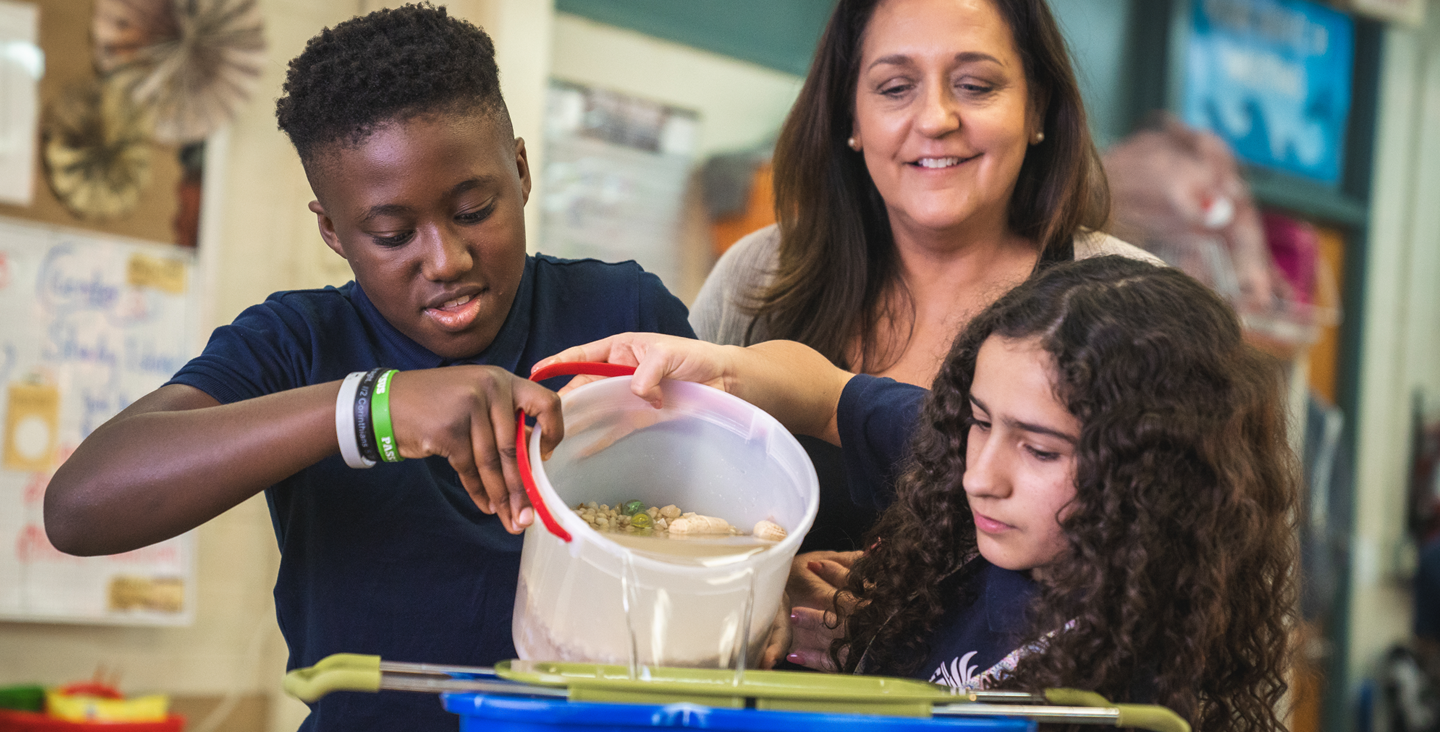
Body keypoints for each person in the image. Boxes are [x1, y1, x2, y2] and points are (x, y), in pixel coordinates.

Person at [42, 5, 694, 731]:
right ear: (332, 230)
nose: (446, 260)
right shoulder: (298, 343)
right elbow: (79, 506)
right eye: (392, 234)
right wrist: (369, 408)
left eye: (475, 208)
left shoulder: (623, 312)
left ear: (519, 169)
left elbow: (718, 519)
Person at [539, 255, 1298, 732]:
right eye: (975, 421)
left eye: (1039, 449)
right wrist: (718, 369)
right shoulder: (967, 466)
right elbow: (825, 391)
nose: (980, 475)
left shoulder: (1137, 683)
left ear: (1152, 477)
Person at [689, 0, 1158, 554]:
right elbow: (676, 501)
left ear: (1038, 109)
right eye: (894, 88)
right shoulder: (759, 276)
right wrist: (769, 583)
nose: (936, 119)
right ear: (851, 119)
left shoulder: (1130, 305)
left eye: (976, 85)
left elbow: (1182, 576)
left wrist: (899, 615)